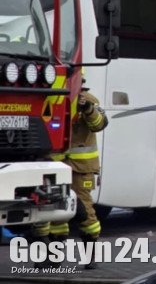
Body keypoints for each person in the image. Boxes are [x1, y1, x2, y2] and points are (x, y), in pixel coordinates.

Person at [31, 86, 108, 269]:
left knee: (85, 213)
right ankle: (54, 257)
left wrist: (88, 108)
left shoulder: (87, 98)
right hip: (55, 166)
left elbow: (99, 124)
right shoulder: (52, 98)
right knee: (55, 213)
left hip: (80, 169)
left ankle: (90, 257)